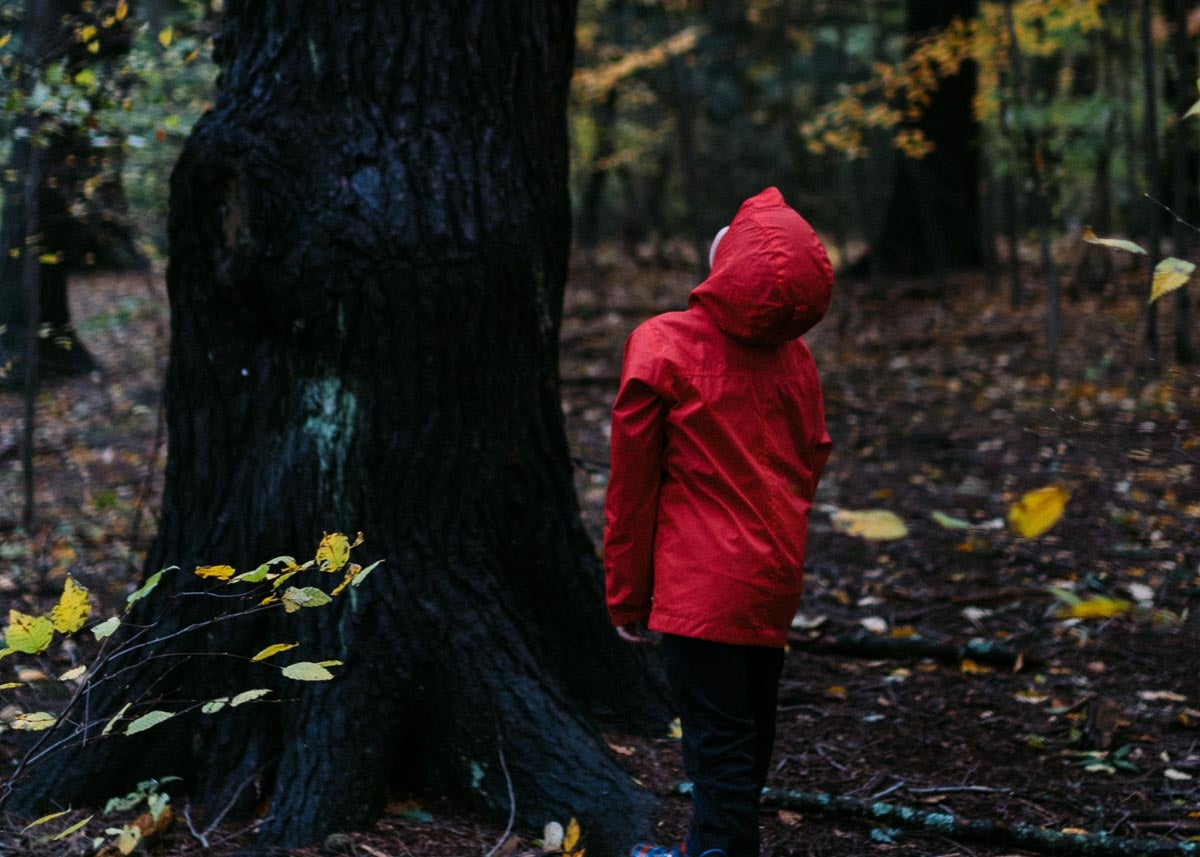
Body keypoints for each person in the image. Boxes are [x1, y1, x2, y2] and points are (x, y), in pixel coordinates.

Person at [603, 187, 834, 857]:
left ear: (725, 266)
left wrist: (625, 592)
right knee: (748, 731)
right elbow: (811, 458)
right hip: (772, 576)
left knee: (717, 741)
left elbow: (633, 486)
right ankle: (707, 845)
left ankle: (723, 849)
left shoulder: (661, 345)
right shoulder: (798, 361)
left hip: (698, 587)